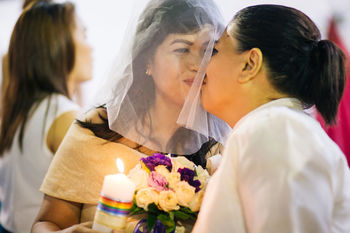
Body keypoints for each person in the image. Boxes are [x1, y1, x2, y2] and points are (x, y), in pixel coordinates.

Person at [31, 0, 228, 232]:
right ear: (147, 61)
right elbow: (45, 224)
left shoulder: (216, 149)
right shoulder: (100, 128)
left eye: (207, 51)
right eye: (182, 49)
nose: (197, 64)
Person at [192, 4, 350, 233]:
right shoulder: (277, 127)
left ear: (250, 64)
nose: (202, 65)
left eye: (215, 51)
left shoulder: (277, 129)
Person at [0, 1, 92, 233]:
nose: (91, 47)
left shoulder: (25, 109)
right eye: (82, 33)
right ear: (58, 44)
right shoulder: (64, 116)